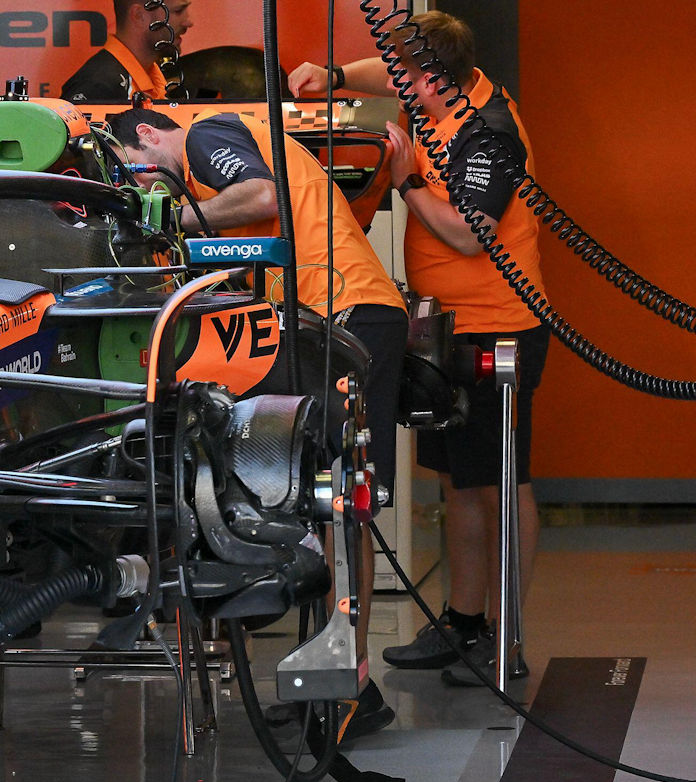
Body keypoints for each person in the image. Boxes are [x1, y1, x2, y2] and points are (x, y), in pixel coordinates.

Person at [110, 106, 408, 740]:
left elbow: (262, 194)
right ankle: (338, 682)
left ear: (148, 135)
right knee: (316, 499)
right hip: (323, 317)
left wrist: (169, 221)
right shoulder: (211, 161)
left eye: (137, 168)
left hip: (345, 313)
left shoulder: (206, 135)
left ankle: (348, 689)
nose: (144, 183)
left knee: (340, 503)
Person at [291, 12, 548, 688]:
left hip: (498, 326)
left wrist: (407, 180)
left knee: (499, 483)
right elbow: (386, 72)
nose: (396, 85)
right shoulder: (439, 95)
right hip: (445, 328)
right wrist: (334, 76)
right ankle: (463, 621)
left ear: (433, 79)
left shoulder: (488, 131)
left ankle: (505, 636)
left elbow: (469, 233)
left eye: (406, 76)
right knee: (457, 481)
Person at [62, 0, 194, 104]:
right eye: (178, 11)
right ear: (139, 15)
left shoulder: (154, 76)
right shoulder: (98, 85)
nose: (189, 22)